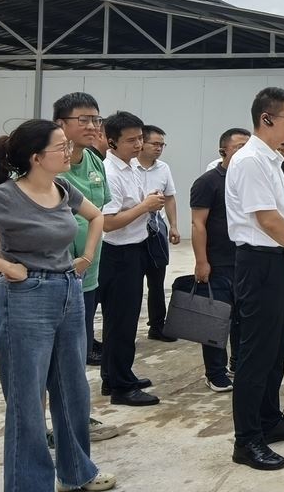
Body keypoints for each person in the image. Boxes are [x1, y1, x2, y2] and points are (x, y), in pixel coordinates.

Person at [0, 118, 112, 492]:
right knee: (27, 399)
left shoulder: (63, 189)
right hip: (26, 298)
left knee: (72, 388)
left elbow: (97, 218)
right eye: (60, 147)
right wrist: (7, 268)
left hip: (68, 291)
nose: (68, 152)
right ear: (36, 158)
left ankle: (77, 472)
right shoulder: (3, 197)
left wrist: (85, 257)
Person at [226, 87, 284, 471]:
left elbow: (283, 215)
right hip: (258, 263)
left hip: (277, 259)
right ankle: (246, 440)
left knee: (277, 349)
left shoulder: (272, 159)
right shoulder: (250, 160)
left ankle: (269, 420)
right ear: (266, 119)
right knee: (255, 354)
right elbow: (266, 218)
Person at [98, 111, 167, 406]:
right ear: (111, 142)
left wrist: (146, 202)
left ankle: (114, 375)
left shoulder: (131, 168)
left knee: (122, 320)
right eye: (130, 140)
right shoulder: (110, 173)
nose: (138, 144)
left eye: (140, 138)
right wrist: (145, 206)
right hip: (118, 253)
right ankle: (122, 387)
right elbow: (108, 222)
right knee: (121, 321)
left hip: (135, 249)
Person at [52, 94, 111, 368]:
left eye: (96, 120)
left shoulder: (94, 161)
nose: (92, 126)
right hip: (54, 273)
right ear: (60, 124)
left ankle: (73, 410)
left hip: (88, 272)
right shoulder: (45, 165)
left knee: (79, 347)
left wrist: (88, 257)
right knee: (56, 352)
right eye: (83, 120)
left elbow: (98, 213)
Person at [190, 128, 249, 391]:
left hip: (245, 258)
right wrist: (202, 261)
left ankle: (238, 363)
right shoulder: (208, 182)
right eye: (238, 147)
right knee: (216, 318)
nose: (243, 152)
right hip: (218, 260)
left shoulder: (249, 179)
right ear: (223, 151)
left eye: (248, 147)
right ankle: (215, 371)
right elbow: (198, 224)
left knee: (243, 316)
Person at [136, 126, 182, 341]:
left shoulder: (163, 168)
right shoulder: (129, 166)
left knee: (157, 280)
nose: (159, 148)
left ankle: (157, 326)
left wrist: (173, 225)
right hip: (131, 229)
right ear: (141, 142)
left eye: (162, 144)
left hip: (156, 229)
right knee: (132, 283)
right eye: (155, 144)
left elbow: (170, 197)